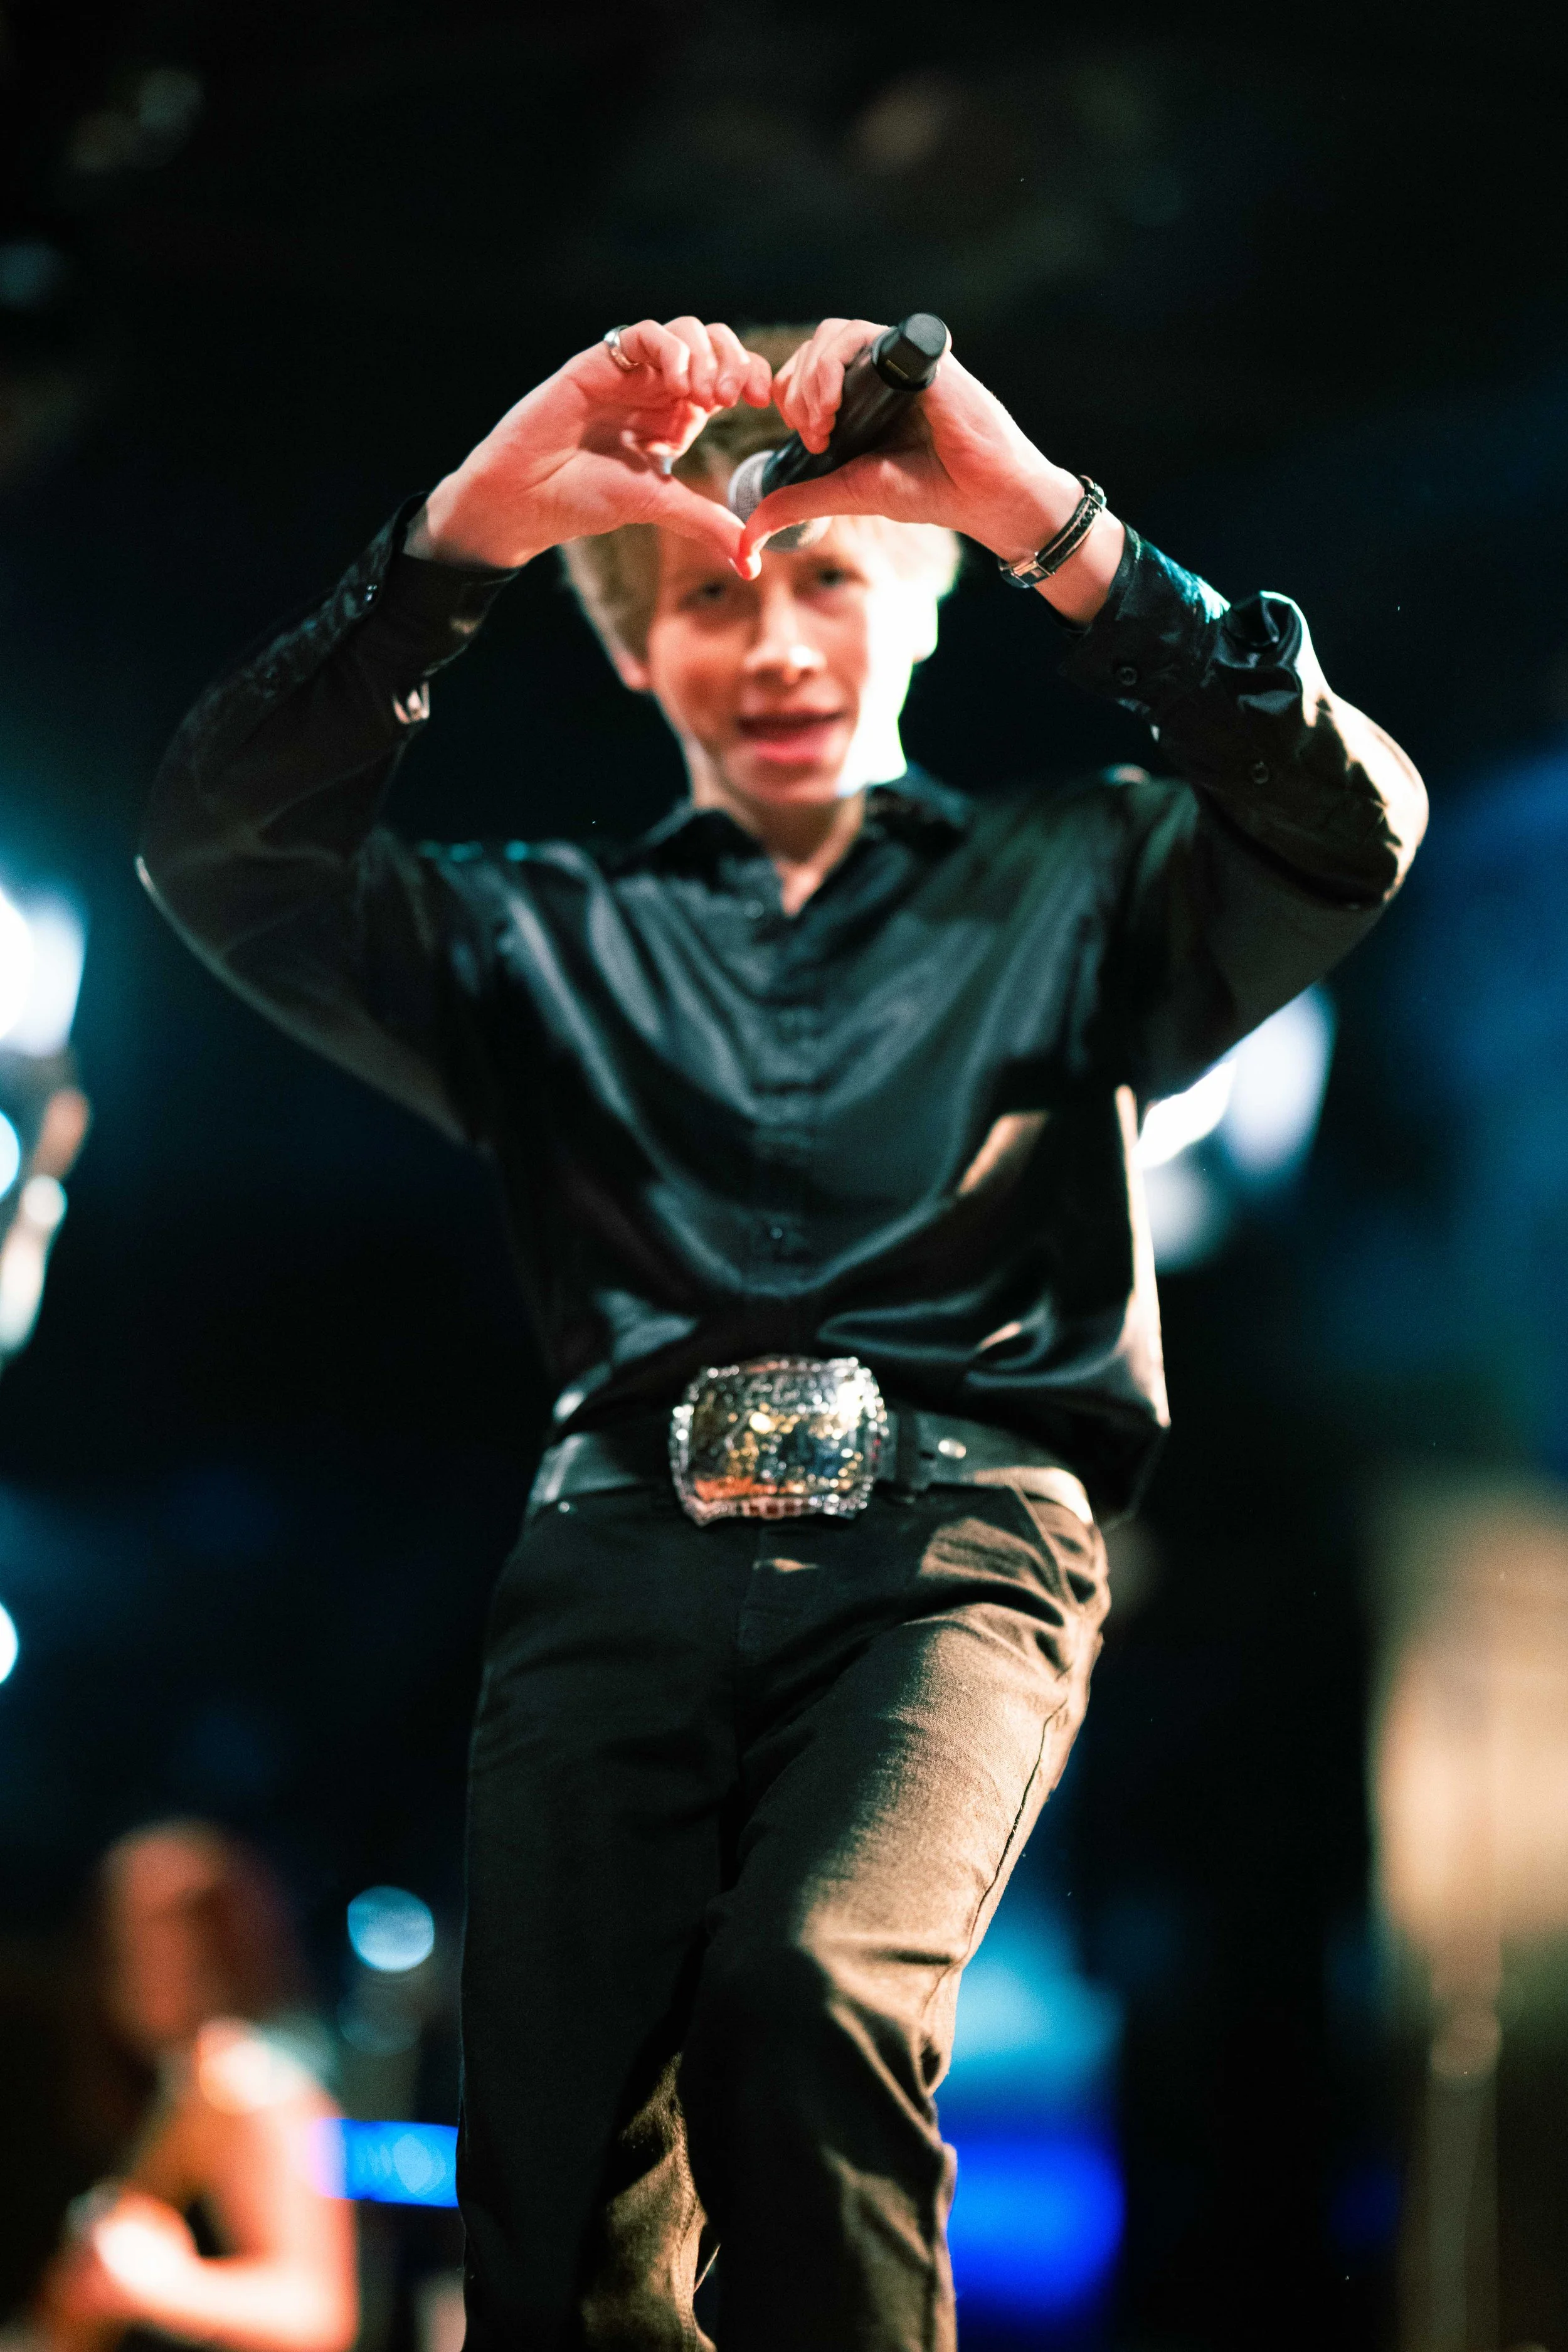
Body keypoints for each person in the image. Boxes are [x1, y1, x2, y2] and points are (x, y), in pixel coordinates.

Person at [139, 314, 1426, 2350]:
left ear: (910, 589)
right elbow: (221, 850)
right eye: (709, 601)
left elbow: (1347, 824)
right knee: (557, 2175)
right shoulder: (535, 935)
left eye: (825, 575)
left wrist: (1038, 516)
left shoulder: (1083, 871)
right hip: (610, 1570)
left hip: (955, 1547)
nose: (774, 643)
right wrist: (469, 533)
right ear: (637, 653)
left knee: (807, 1997)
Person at [30, 1824, 356, 2352]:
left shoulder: (255, 2085)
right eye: (120, 1934)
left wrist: (167, 2288)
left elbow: (319, 2311)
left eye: (162, 1935)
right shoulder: (175, 2081)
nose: (131, 1962)